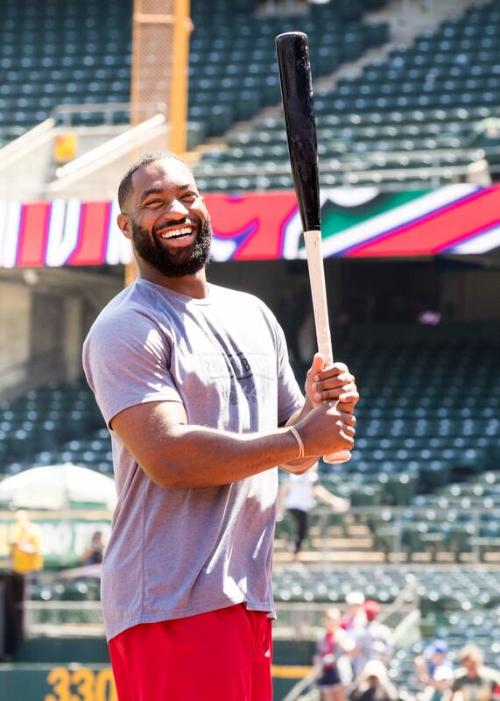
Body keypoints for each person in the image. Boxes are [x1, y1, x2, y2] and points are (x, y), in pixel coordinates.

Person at [82, 151, 359, 701]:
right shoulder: (126, 325)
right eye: (154, 203)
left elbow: (295, 454)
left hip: (246, 593)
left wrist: (316, 409)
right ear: (126, 225)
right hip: (170, 601)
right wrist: (302, 436)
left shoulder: (252, 313)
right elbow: (171, 458)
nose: (176, 210)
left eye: (187, 195)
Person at [278, 462, 350, 558]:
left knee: (300, 530)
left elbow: (283, 490)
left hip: (296, 506)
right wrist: (335, 501)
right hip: (296, 507)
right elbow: (320, 492)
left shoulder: (297, 475)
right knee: (300, 530)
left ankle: (294, 551)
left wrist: (281, 506)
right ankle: (293, 552)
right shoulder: (309, 477)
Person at [349, 600, 394, 679]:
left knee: (355, 689)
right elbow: (389, 651)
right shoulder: (385, 630)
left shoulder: (360, 631)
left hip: (363, 671)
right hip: (378, 667)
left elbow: (354, 652)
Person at [315, 607, 351, 701]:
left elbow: (350, 650)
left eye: (333, 619)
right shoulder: (322, 636)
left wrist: (340, 642)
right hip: (325, 672)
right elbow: (320, 654)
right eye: (328, 618)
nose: (330, 621)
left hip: (339, 673)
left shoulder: (342, 635)